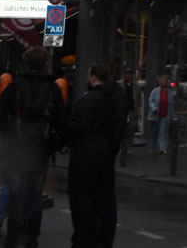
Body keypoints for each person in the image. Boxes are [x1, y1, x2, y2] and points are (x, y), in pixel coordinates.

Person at [0, 45, 66, 248]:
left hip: (18, 147)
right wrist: (55, 140)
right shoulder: (53, 88)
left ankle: (12, 239)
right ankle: (32, 239)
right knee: (35, 197)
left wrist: (10, 131)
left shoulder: (15, 86)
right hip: (40, 149)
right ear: (44, 65)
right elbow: (61, 120)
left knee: (16, 195)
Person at [67, 61, 124, 248]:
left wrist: (67, 129)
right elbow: (119, 125)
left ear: (92, 77)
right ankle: (104, 238)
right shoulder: (117, 96)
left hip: (86, 155)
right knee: (105, 200)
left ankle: (84, 238)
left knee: (83, 200)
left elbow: (81, 125)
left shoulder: (90, 98)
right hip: (106, 154)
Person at [147, 73, 173, 155]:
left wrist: (171, 117)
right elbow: (150, 100)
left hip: (164, 115)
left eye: (164, 81)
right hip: (155, 115)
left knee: (162, 132)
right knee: (154, 132)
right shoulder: (155, 91)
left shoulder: (169, 93)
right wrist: (154, 108)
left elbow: (171, 105)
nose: (163, 83)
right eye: (161, 81)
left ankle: (162, 148)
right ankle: (152, 147)